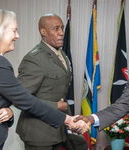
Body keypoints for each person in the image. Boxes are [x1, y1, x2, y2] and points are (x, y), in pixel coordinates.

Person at [0, 9, 88, 150]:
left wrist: (9, 112)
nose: (17, 36)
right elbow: (27, 101)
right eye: (14, 31)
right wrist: (67, 120)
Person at [16, 13, 84, 150]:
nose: (61, 33)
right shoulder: (34, 59)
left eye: (62, 28)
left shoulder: (60, 54)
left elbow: (59, 91)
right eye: (56, 29)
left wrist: (71, 118)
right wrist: (56, 106)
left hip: (58, 129)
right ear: (43, 31)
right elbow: (20, 98)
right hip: (39, 133)